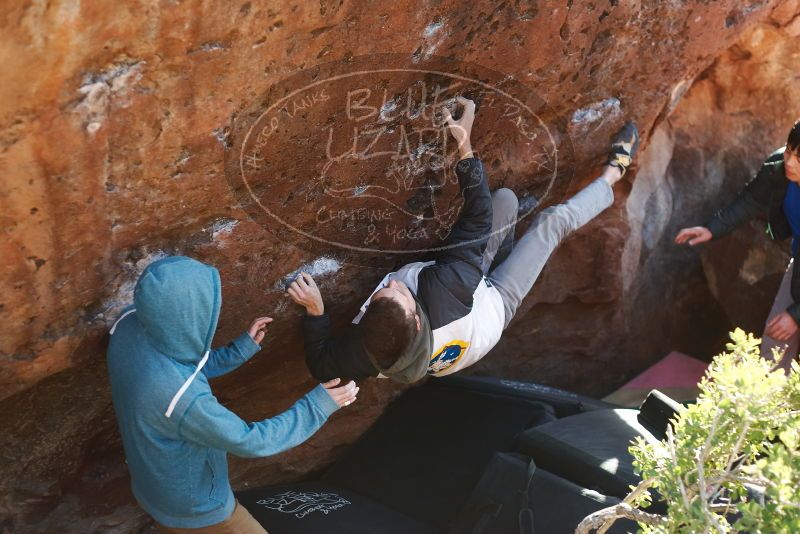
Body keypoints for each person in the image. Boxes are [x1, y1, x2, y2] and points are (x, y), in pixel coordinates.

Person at [288, 97, 639, 383]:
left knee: (506, 202)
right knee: (550, 223)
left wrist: (317, 312)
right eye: (398, 294)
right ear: (415, 319)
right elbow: (477, 217)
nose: (393, 284)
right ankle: (613, 175)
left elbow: (321, 366)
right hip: (492, 311)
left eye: (385, 291)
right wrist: (464, 142)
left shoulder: (362, 352)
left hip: (462, 293)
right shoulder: (444, 291)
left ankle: (496, 252)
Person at [106, 256, 358, 533]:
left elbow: (174, 363)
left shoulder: (128, 325)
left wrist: (238, 351)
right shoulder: (182, 400)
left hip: (153, 485)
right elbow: (251, 441)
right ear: (191, 316)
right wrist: (319, 405)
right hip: (198, 509)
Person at [675, 120, 800, 372]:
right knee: (775, 344)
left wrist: (796, 315)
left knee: (787, 323)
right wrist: (711, 228)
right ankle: (767, 408)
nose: (790, 162)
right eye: (789, 151)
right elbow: (750, 201)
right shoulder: (779, 169)